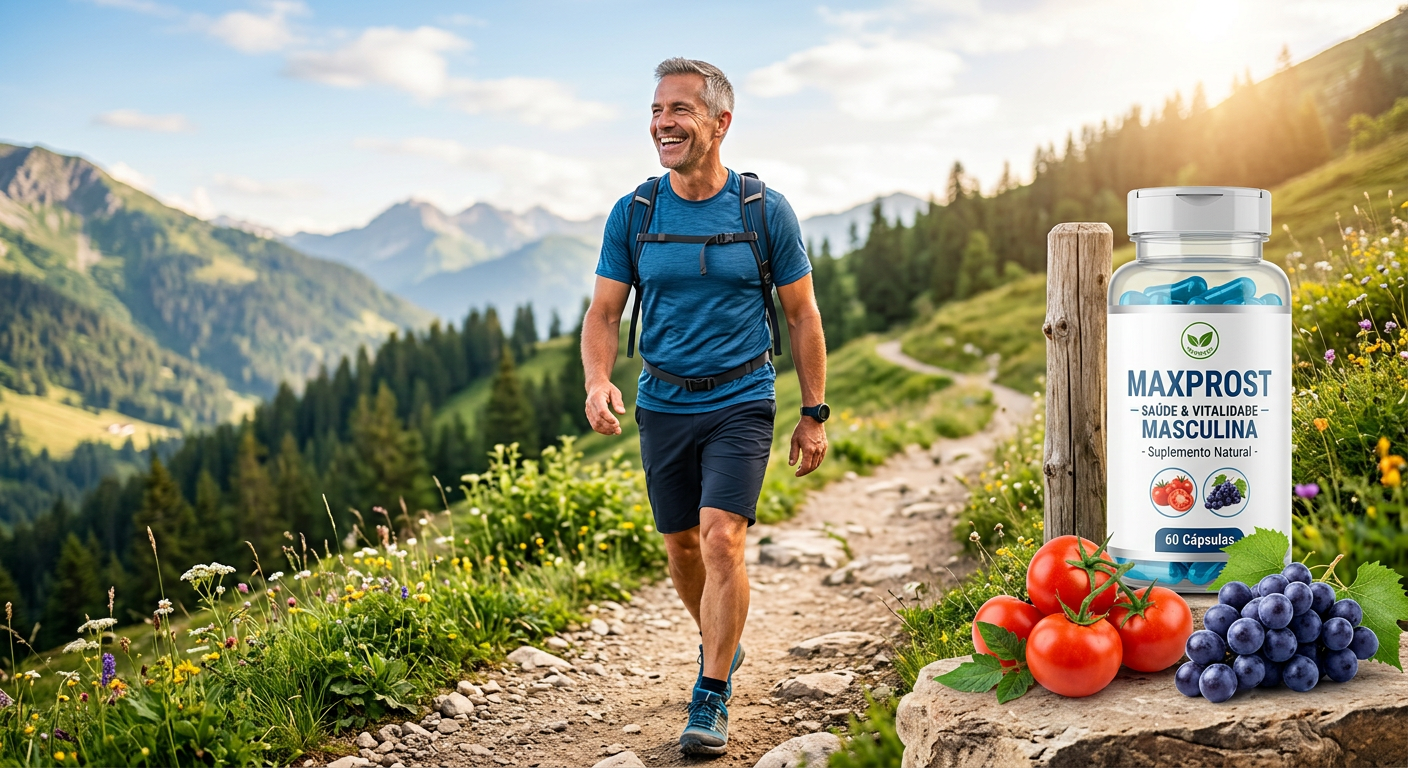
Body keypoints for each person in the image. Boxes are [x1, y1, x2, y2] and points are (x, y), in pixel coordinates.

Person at [581, 57, 829, 756]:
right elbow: (603, 313)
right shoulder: (634, 213)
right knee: (681, 546)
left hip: (742, 396)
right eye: (657, 110)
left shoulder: (762, 210)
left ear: (721, 123)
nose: (663, 122)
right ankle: (719, 641)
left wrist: (814, 412)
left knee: (722, 537)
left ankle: (711, 692)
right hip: (662, 401)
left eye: (680, 110)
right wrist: (598, 381)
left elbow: (803, 315)